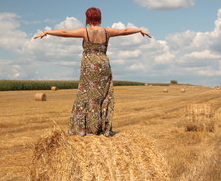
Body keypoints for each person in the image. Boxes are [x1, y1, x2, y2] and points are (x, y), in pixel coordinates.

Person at [33, 7, 151, 137]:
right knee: (102, 95)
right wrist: (139, 30)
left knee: (87, 95)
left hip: (89, 66)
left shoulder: (85, 32)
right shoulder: (107, 32)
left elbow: (65, 32)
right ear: (99, 18)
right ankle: (101, 128)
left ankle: (86, 129)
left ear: (88, 18)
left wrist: (47, 32)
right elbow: (124, 31)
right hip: (103, 65)